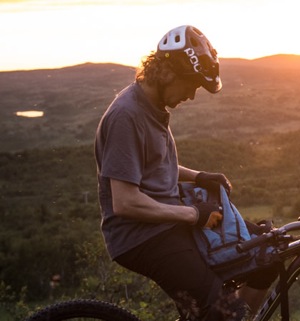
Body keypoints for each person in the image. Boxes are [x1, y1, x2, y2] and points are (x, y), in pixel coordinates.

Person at [94, 25, 272, 320]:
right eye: (191, 85)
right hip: (142, 237)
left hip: (167, 222)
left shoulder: (152, 106)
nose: (191, 95)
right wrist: (193, 214)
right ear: (167, 73)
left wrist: (198, 176)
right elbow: (125, 201)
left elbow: (154, 165)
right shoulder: (127, 116)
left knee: (265, 257)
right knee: (223, 311)